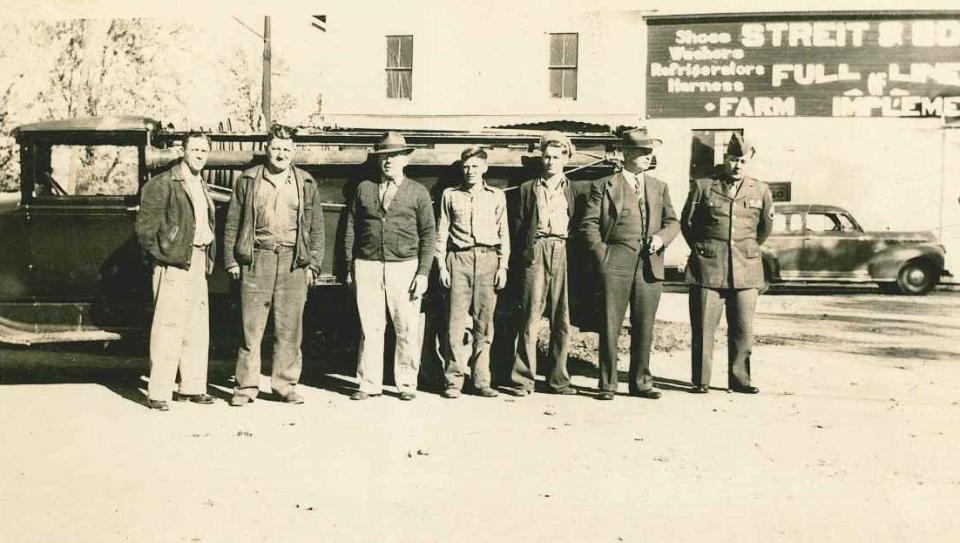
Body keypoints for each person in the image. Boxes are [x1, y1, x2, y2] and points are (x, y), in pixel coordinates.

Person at [224, 124, 325, 406]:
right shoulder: (248, 180)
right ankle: (245, 387)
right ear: (267, 148)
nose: (281, 153)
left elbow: (316, 228)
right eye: (276, 147)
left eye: (286, 149)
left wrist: (313, 265)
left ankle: (285, 385)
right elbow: (232, 222)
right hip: (257, 259)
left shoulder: (305, 182)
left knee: (289, 329)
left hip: (293, 262)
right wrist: (232, 260)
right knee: (251, 328)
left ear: (294, 151)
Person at [580, 129, 679, 401]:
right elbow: (588, 225)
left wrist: (661, 239)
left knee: (644, 324)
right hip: (614, 265)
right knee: (610, 324)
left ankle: (641, 382)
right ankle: (607, 384)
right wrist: (603, 256)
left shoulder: (659, 187)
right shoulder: (604, 185)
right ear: (626, 153)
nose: (649, 156)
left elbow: (673, 222)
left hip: (649, 266)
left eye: (650, 152)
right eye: (643, 151)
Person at [343, 132, 436, 401]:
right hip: (368, 265)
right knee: (370, 327)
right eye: (384, 156)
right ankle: (369, 383)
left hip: (404, 267)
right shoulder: (365, 188)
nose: (388, 161)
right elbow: (351, 227)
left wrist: (423, 273)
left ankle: (406, 384)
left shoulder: (418, 192)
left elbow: (429, 234)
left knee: (406, 326)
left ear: (405, 159)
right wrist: (351, 266)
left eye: (394, 156)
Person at [680, 133, 773, 394]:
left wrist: (746, 248)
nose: (737, 165)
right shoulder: (704, 185)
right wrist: (705, 249)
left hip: (746, 267)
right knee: (703, 328)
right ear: (726, 159)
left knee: (743, 329)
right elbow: (688, 224)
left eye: (743, 161)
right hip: (708, 266)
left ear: (749, 161)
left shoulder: (761, 190)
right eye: (733, 160)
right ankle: (700, 381)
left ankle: (740, 379)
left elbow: (764, 228)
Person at [135, 132, 216, 411]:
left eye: (204, 150)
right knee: (168, 327)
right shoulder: (163, 183)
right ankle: (158, 392)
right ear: (183, 150)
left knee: (195, 327)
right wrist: (164, 257)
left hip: (197, 260)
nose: (199, 155)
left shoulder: (199, 183)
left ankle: (192, 387)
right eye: (194, 149)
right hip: (174, 265)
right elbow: (145, 230)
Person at [508, 131, 578, 396]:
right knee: (530, 317)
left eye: (556, 157)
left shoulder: (572, 189)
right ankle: (523, 380)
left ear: (566, 159)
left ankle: (558, 380)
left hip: (562, 250)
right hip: (535, 251)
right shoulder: (528, 189)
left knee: (562, 318)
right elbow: (518, 226)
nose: (550, 162)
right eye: (546, 156)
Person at [435, 146, 509, 398]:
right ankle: (453, 381)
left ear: (485, 168)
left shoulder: (496, 196)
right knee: (455, 323)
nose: (470, 171)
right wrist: (442, 266)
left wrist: (503, 266)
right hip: (459, 259)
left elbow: (504, 234)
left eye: (475, 167)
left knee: (484, 324)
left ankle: (481, 381)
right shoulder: (450, 195)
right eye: (466, 167)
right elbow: (441, 232)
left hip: (488, 260)